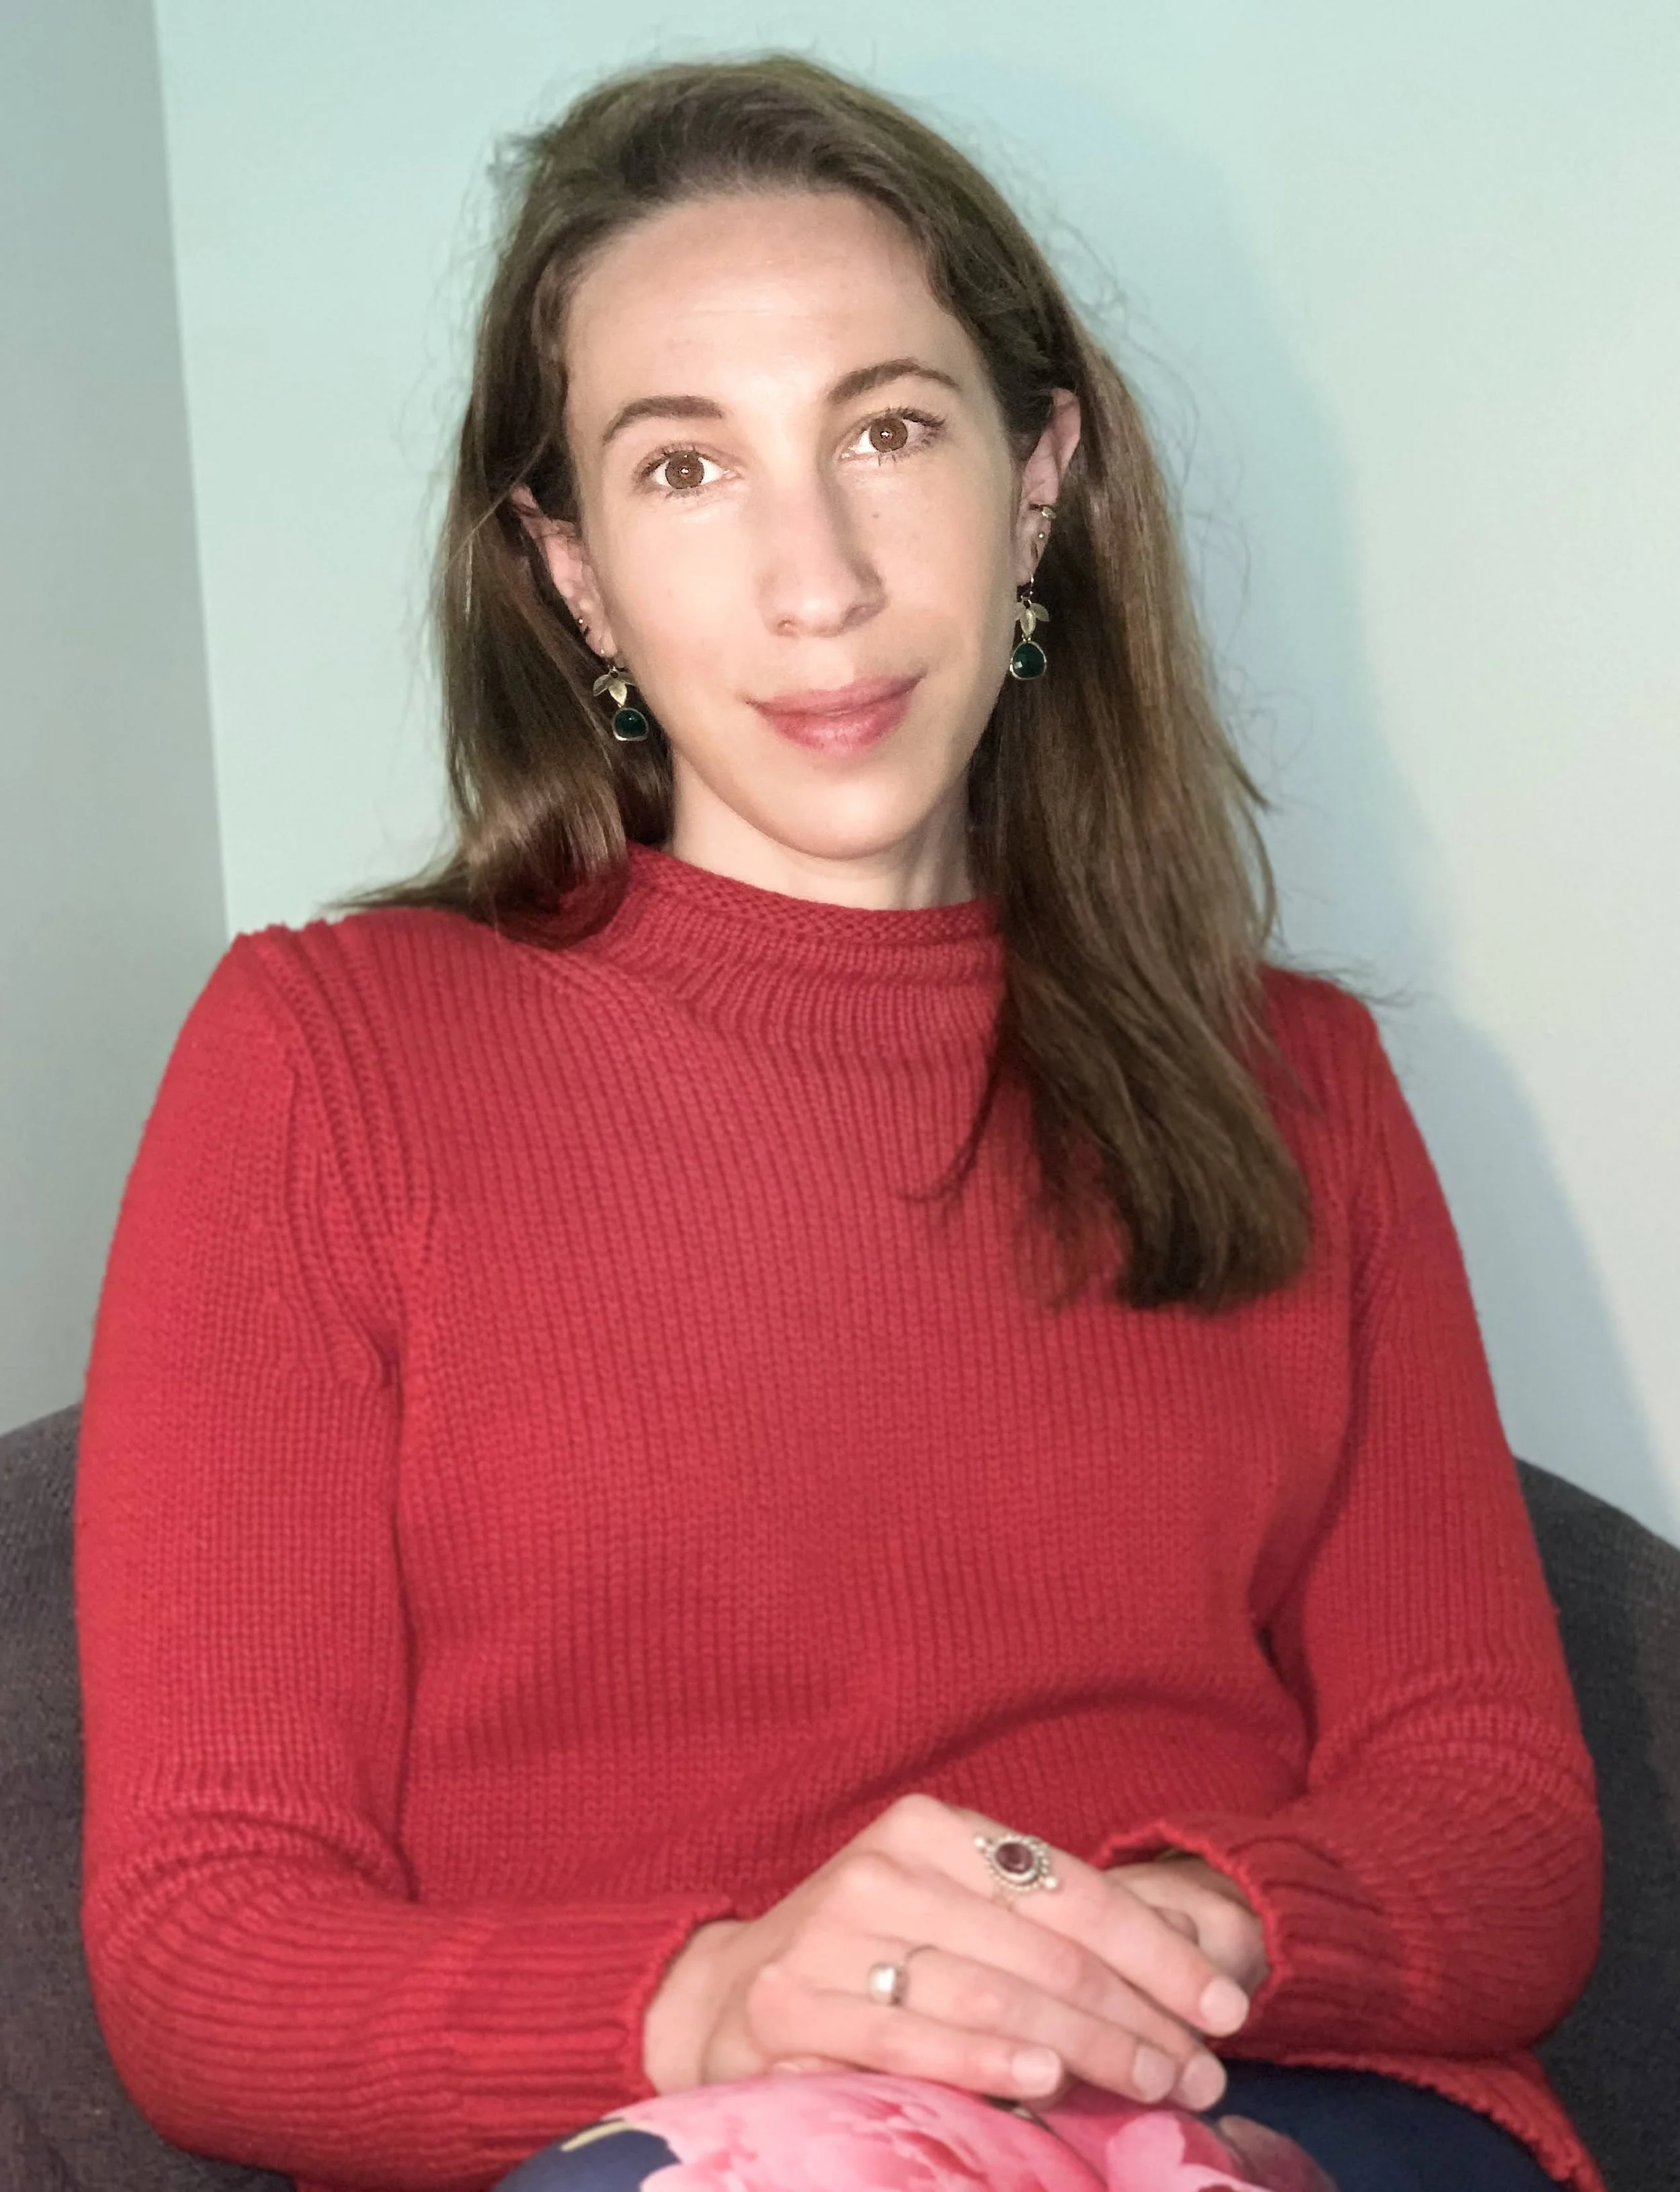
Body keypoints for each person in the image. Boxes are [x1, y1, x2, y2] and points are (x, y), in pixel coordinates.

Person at [73, 51, 1605, 2192]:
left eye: (889, 431)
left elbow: (1497, 1814)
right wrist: (724, 1998)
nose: (819, 582)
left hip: (1251, 2098)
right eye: (682, 470)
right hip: (675, 2132)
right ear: (571, 571)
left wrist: (1140, 1944)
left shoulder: (1298, 1082)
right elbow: (206, 1945)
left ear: (1039, 472)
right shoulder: (326, 1059)